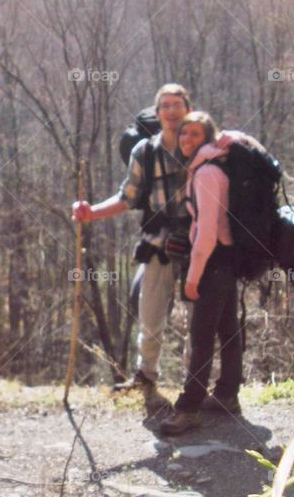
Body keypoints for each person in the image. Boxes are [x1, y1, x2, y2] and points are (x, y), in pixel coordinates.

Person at [71, 85, 246, 407]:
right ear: (156, 112)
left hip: (201, 247)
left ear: (187, 108)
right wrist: (91, 212)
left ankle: (197, 386)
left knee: (201, 322)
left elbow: (232, 149)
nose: (171, 111)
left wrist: (227, 140)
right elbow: (128, 197)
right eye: (164, 105)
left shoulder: (204, 146)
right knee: (150, 313)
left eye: (177, 104)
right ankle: (146, 375)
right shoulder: (145, 152)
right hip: (157, 242)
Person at [159, 110, 244, 435]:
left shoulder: (207, 173)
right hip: (226, 257)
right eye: (183, 133)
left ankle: (189, 407)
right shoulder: (212, 166)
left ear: (207, 138)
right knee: (227, 329)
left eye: (194, 134)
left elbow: (206, 232)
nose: (186, 139)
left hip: (213, 261)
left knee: (202, 335)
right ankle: (227, 394)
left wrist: (193, 277)